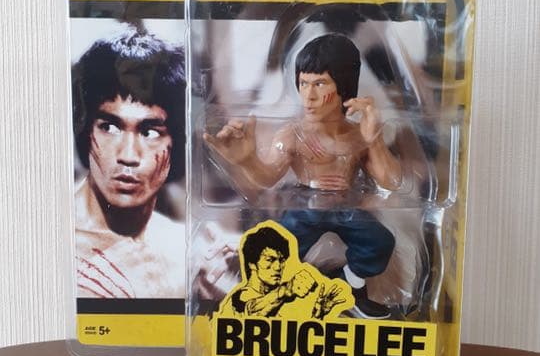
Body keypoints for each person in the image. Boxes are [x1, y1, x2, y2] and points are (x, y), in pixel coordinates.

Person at [205, 34, 401, 318]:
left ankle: (350, 286)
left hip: (345, 206)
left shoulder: (357, 136)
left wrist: (375, 139)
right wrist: (246, 160)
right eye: (304, 83)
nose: (309, 95)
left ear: (343, 85)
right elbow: (268, 176)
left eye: (320, 84)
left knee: (379, 242)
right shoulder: (292, 134)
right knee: (276, 248)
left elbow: (391, 181)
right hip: (306, 207)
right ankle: (267, 299)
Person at [72, 26, 186, 298]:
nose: (128, 156)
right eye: (110, 127)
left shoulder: (181, 247)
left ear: (177, 144)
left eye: (150, 132)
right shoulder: (50, 242)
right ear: (85, 131)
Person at [219, 223, 349, 319]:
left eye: (280, 260)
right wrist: (285, 290)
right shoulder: (239, 300)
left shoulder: (289, 301)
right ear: (252, 264)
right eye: (270, 260)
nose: (277, 267)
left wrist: (320, 312)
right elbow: (250, 311)